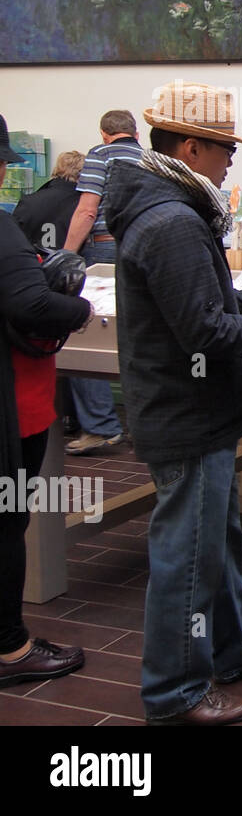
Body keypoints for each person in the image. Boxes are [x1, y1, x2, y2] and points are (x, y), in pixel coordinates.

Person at [103, 82, 242, 725]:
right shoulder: (172, 221)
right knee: (189, 556)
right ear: (191, 146)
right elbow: (205, 332)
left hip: (196, 409)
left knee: (220, 538)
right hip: (187, 413)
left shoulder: (168, 206)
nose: (232, 159)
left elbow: (202, 301)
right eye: (225, 147)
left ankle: (233, 646)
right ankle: (175, 691)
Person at [0, 114, 94, 689]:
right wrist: (81, 311)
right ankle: (10, 648)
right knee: (7, 521)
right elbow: (33, 305)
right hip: (12, 402)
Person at [61, 112, 140, 456]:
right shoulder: (152, 157)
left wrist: (65, 255)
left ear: (105, 134)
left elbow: (87, 211)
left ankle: (100, 426)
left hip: (106, 248)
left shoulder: (100, 155)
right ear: (135, 132)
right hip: (145, 249)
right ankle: (141, 424)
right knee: (140, 335)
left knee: (86, 333)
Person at [13, 151, 84, 250]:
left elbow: (15, 239)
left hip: (34, 261)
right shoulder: (85, 205)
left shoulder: (29, 201)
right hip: (73, 261)